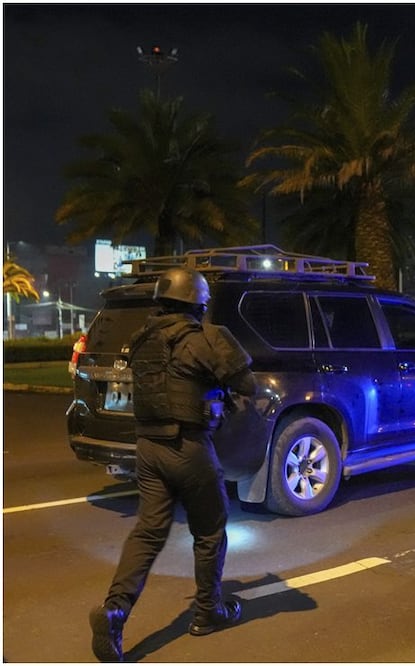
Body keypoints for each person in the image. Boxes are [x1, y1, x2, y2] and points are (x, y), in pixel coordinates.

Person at [90, 267, 256, 662]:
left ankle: (115, 611)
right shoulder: (206, 338)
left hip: (148, 448)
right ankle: (207, 612)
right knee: (210, 530)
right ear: (198, 303)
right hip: (188, 447)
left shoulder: (142, 338)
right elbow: (247, 384)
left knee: (148, 533)